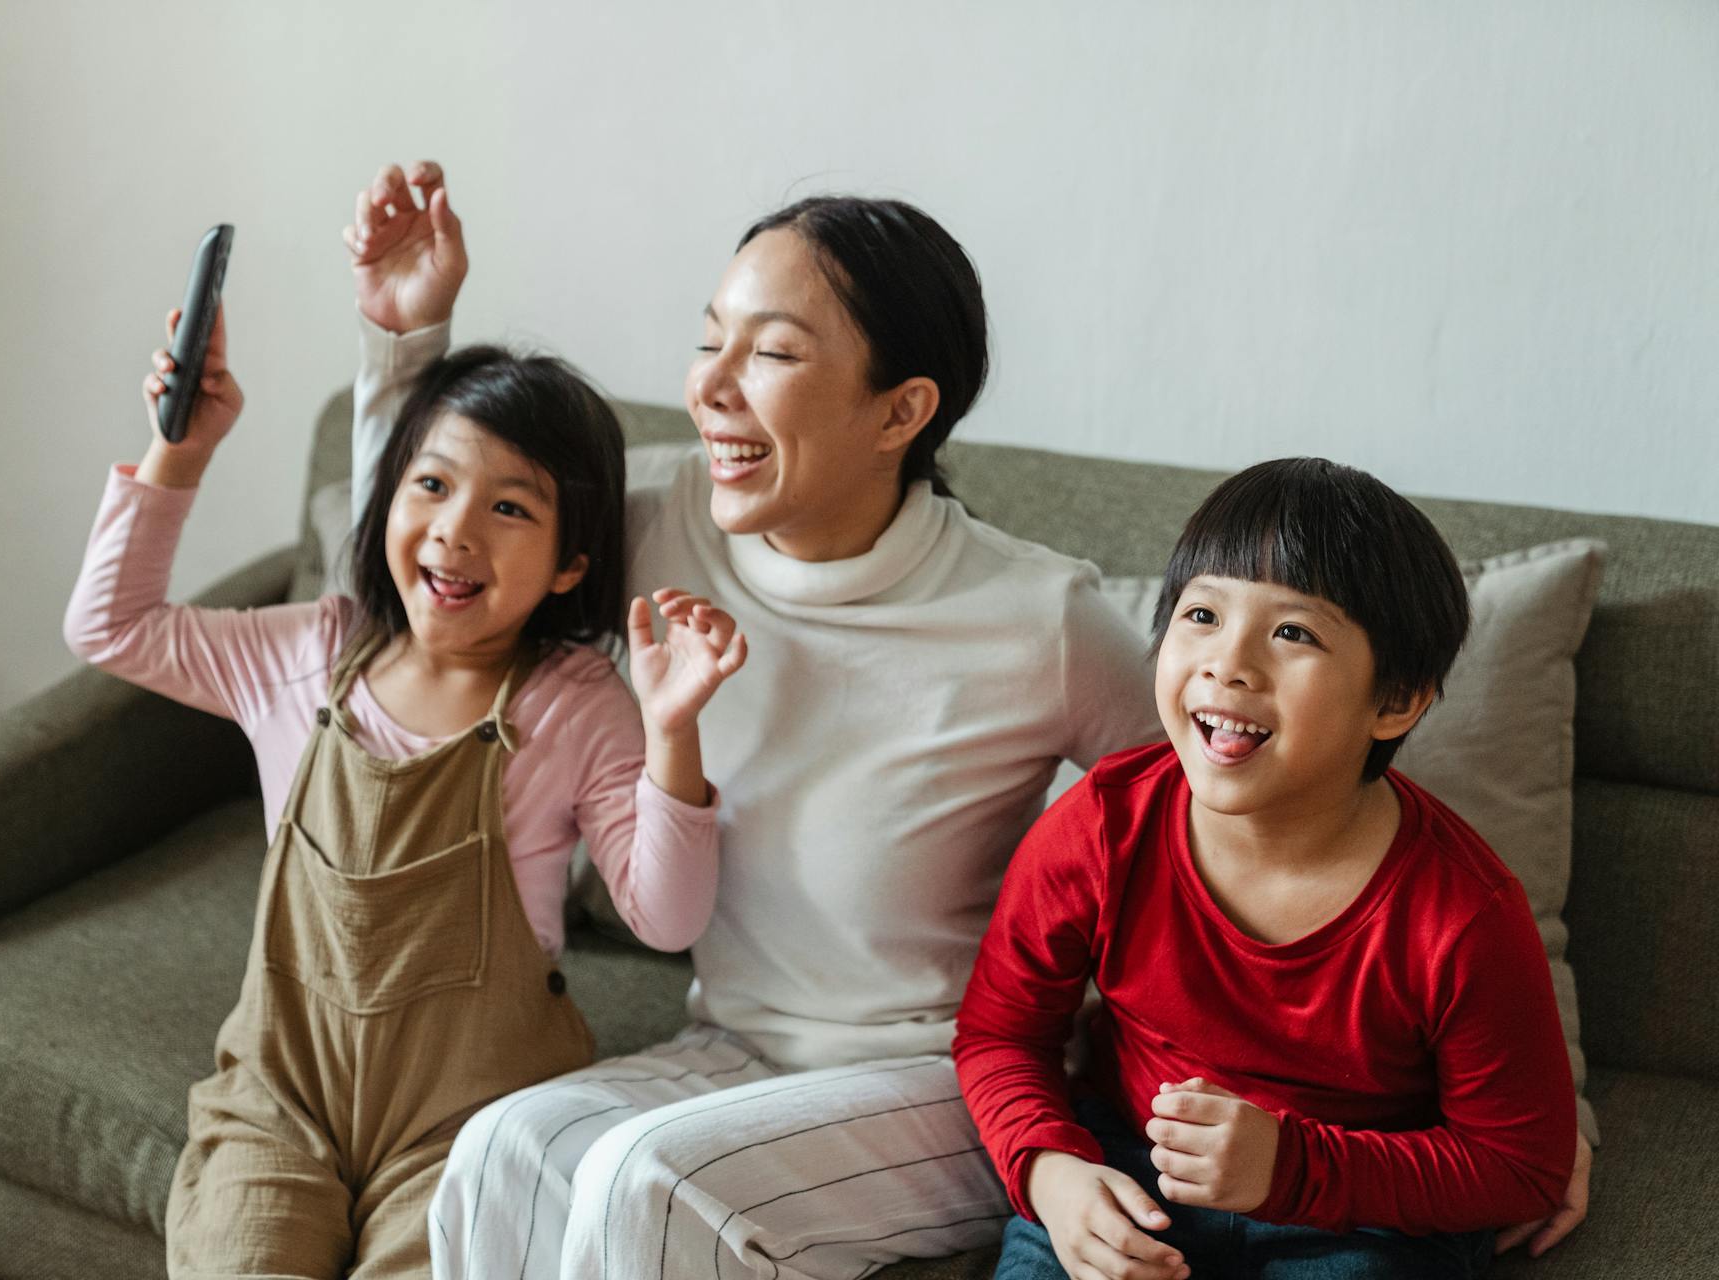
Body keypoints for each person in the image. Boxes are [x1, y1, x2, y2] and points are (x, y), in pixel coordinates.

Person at [344, 162, 1163, 1279]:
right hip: (729, 1045)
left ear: (901, 410)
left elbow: (1216, 817)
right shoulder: (663, 519)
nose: (712, 386)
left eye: (772, 352)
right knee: (500, 1149)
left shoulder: (1040, 616)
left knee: (654, 1182)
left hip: (940, 1077)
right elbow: (435, 565)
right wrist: (406, 341)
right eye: (710, 339)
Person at [63, 304, 747, 1278]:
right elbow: (110, 627)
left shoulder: (573, 702)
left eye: (512, 507)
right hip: (278, 1102)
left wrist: (673, 732)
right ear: (389, 502)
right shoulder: (308, 651)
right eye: (432, 484)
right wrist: (181, 445)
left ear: (571, 564)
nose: (458, 529)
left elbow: (668, 917)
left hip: (471, 1124)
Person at [953, 458, 1578, 1280]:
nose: (1228, 662)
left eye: (1293, 632)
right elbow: (1002, 1033)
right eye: (1203, 613)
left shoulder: (1460, 914)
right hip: (1128, 1167)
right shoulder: (1103, 827)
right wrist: (1050, 1171)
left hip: (1358, 1216)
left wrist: (1293, 1168)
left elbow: (1523, 1163)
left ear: (1394, 701)